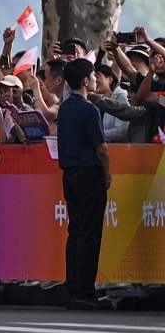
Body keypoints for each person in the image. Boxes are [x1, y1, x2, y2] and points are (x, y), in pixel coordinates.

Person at [57, 59, 111, 310]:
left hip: (70, 175)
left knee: (76, 232)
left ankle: (74, 288)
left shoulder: (65, 108)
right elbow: (102, 149)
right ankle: (85, 291)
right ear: (84, 81)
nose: (95, 79)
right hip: (90, 175)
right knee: (89, 234)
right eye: (92, 75)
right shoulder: (89, 110)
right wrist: (108, 175)